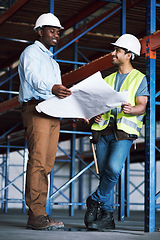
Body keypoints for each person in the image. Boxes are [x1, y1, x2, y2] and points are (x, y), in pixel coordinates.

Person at [84, 34, 149, 231]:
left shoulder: (139, 78)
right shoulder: (108, 78)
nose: (113, 53)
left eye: (117, 51)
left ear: (128, 55)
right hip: (103, 131)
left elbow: (142, 106)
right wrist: (94, 114)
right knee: (104, 174)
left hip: (124, 132)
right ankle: (106, 217)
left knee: (113, 169)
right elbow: (98, 105)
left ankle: (94, 200)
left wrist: (132, 110)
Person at [18, 13, 72, 230]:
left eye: (58, 31)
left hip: (51, 111)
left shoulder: (52, 61)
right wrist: (51, 88)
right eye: (52, 30)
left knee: (47, 164)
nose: (56, 34)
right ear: (39, 31)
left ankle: (41, 211)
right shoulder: (31, 52)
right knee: (38, 161)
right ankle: (35, 214)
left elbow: (57, 92)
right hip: (36, 108)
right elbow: (33, 78)